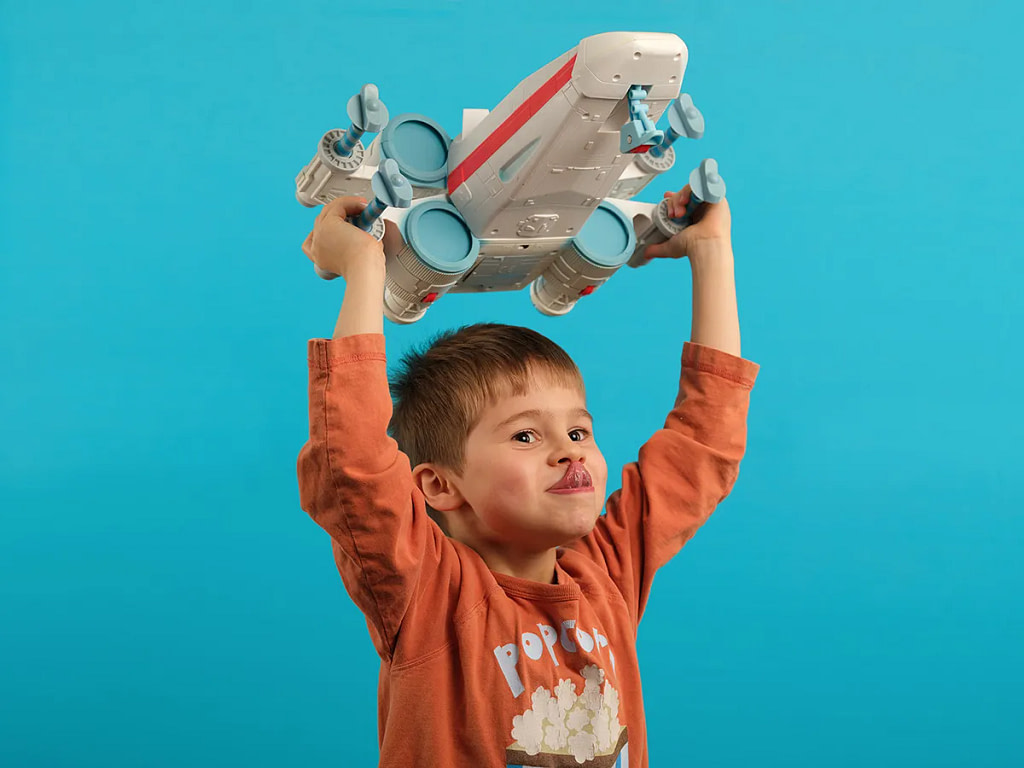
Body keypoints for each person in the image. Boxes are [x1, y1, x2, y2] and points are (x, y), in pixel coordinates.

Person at [297, 187, 760, 767]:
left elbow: (702, 444)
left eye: (578, 432)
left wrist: (712, 252)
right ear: (440, 485)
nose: (569, 454)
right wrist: (364, 269)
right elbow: (355, 462)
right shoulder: (427, 594)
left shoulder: (605, 576)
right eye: (525, 436)